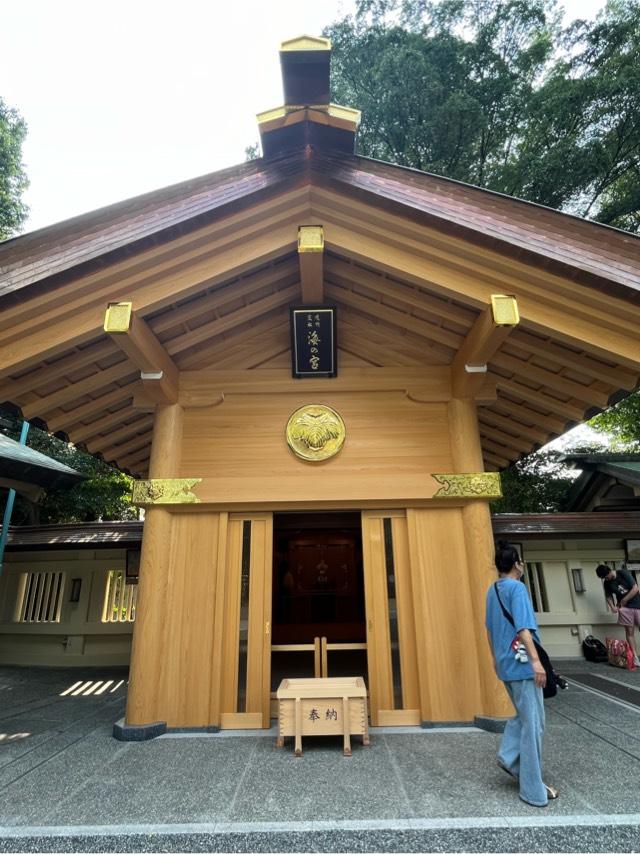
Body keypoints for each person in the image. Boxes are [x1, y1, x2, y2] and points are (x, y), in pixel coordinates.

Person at [485, 541, 559, 807]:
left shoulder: (492, 590)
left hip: (505, 663)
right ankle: (532, 789)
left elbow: (490, 630)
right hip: (523, 663)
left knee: (523, 716)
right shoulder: (517, 588)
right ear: (517, 564)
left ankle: (508, 756)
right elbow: (524, 629)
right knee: (534, 724)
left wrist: (495, 659)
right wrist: (537, 662)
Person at [595, 564, 640, 667]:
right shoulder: (607, 583)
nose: (606, 579)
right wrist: (612, 607)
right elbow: (608, 596)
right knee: (630, 632)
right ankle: (635, 657)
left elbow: (635, 588)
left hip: (637, 605)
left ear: (610, 571)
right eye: (604, 578)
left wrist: (624, 599)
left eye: (606, 576)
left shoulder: (623, 573)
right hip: (625, 609)